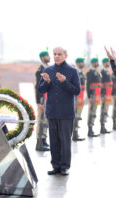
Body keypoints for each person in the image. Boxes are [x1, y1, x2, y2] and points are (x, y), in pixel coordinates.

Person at [37, 47, 81, 176]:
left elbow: (77, 91)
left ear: (65, 55)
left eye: (59, 54)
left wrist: (64, 81)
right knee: (54, 140)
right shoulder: (48, 70)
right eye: (55, 54)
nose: (56, 56)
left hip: (66, 113)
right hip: (52, 111)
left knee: (65, 141)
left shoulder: (72, 71)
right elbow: (41, 89)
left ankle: (65, 166)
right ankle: (55, 166)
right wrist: (47, 82)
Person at [35, 51, 51, 151]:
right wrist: (38, 101)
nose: (49, 57)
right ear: (42, 57)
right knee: (41, 120)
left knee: (45, 120)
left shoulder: (48, 68)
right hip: (42, 98)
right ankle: (39, 143)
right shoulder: (40, 70)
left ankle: (44, 140)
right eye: (47, 55)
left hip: (48, 98)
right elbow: (37, 86)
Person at [86, 57, 102, 137]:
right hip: (92, 95)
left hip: (97, 95)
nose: (97, 63)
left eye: (97, 61)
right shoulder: (90, 72)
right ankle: (90, 130)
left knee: (94, 112)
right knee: (91, 112)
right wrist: (89, 96)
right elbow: (88, 85)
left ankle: (92, 128)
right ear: (92, 63)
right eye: (96, 62)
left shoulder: (97, 72)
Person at [72, 57, 86, 141]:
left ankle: (76, 134)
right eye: (81, 62)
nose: (83, 64)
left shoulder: (81, 73)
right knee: (75, 116)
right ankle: (74, 134)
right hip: (76, 99)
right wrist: (75, 99)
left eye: (83, 62)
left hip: (81, 98)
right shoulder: (75, 72)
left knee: (78, 116)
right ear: (77, 63)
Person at [100, 58, 112, 134]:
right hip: (104, 94)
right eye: (107, 62)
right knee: (103, 110)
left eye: (108, 62)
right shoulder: (103, 72)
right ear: (104, 63)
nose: (108, 64)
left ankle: (104, 126)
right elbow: (101, 84)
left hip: (108, 94)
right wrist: (103, 94)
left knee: (106, 110)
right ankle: (102, 127)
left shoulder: (108, 71)